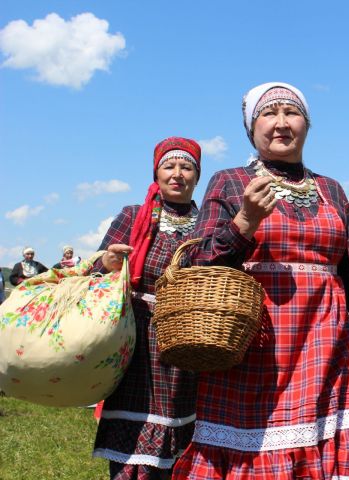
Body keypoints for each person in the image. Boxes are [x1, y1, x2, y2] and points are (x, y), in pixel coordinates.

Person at [174, 82, 349, 480]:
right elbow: (198, 265)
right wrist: (244, 223)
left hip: (325, 348)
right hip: (255, 353)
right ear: (251, 128)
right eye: (269, 114)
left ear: (307, 124)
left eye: (291, 112)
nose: (281, 123)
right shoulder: (229, 183)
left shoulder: (331, 190)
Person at [92, 137, 202, 479]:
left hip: (187, 338)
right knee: (134, 432)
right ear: (156, 172)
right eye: (169, 166)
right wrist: (108, 261)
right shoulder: (134, 215)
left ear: (197, 176)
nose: (177, 174)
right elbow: (95, 269)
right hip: (137, 338)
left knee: (182, 425)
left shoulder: (207, 224)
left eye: (186, 167)